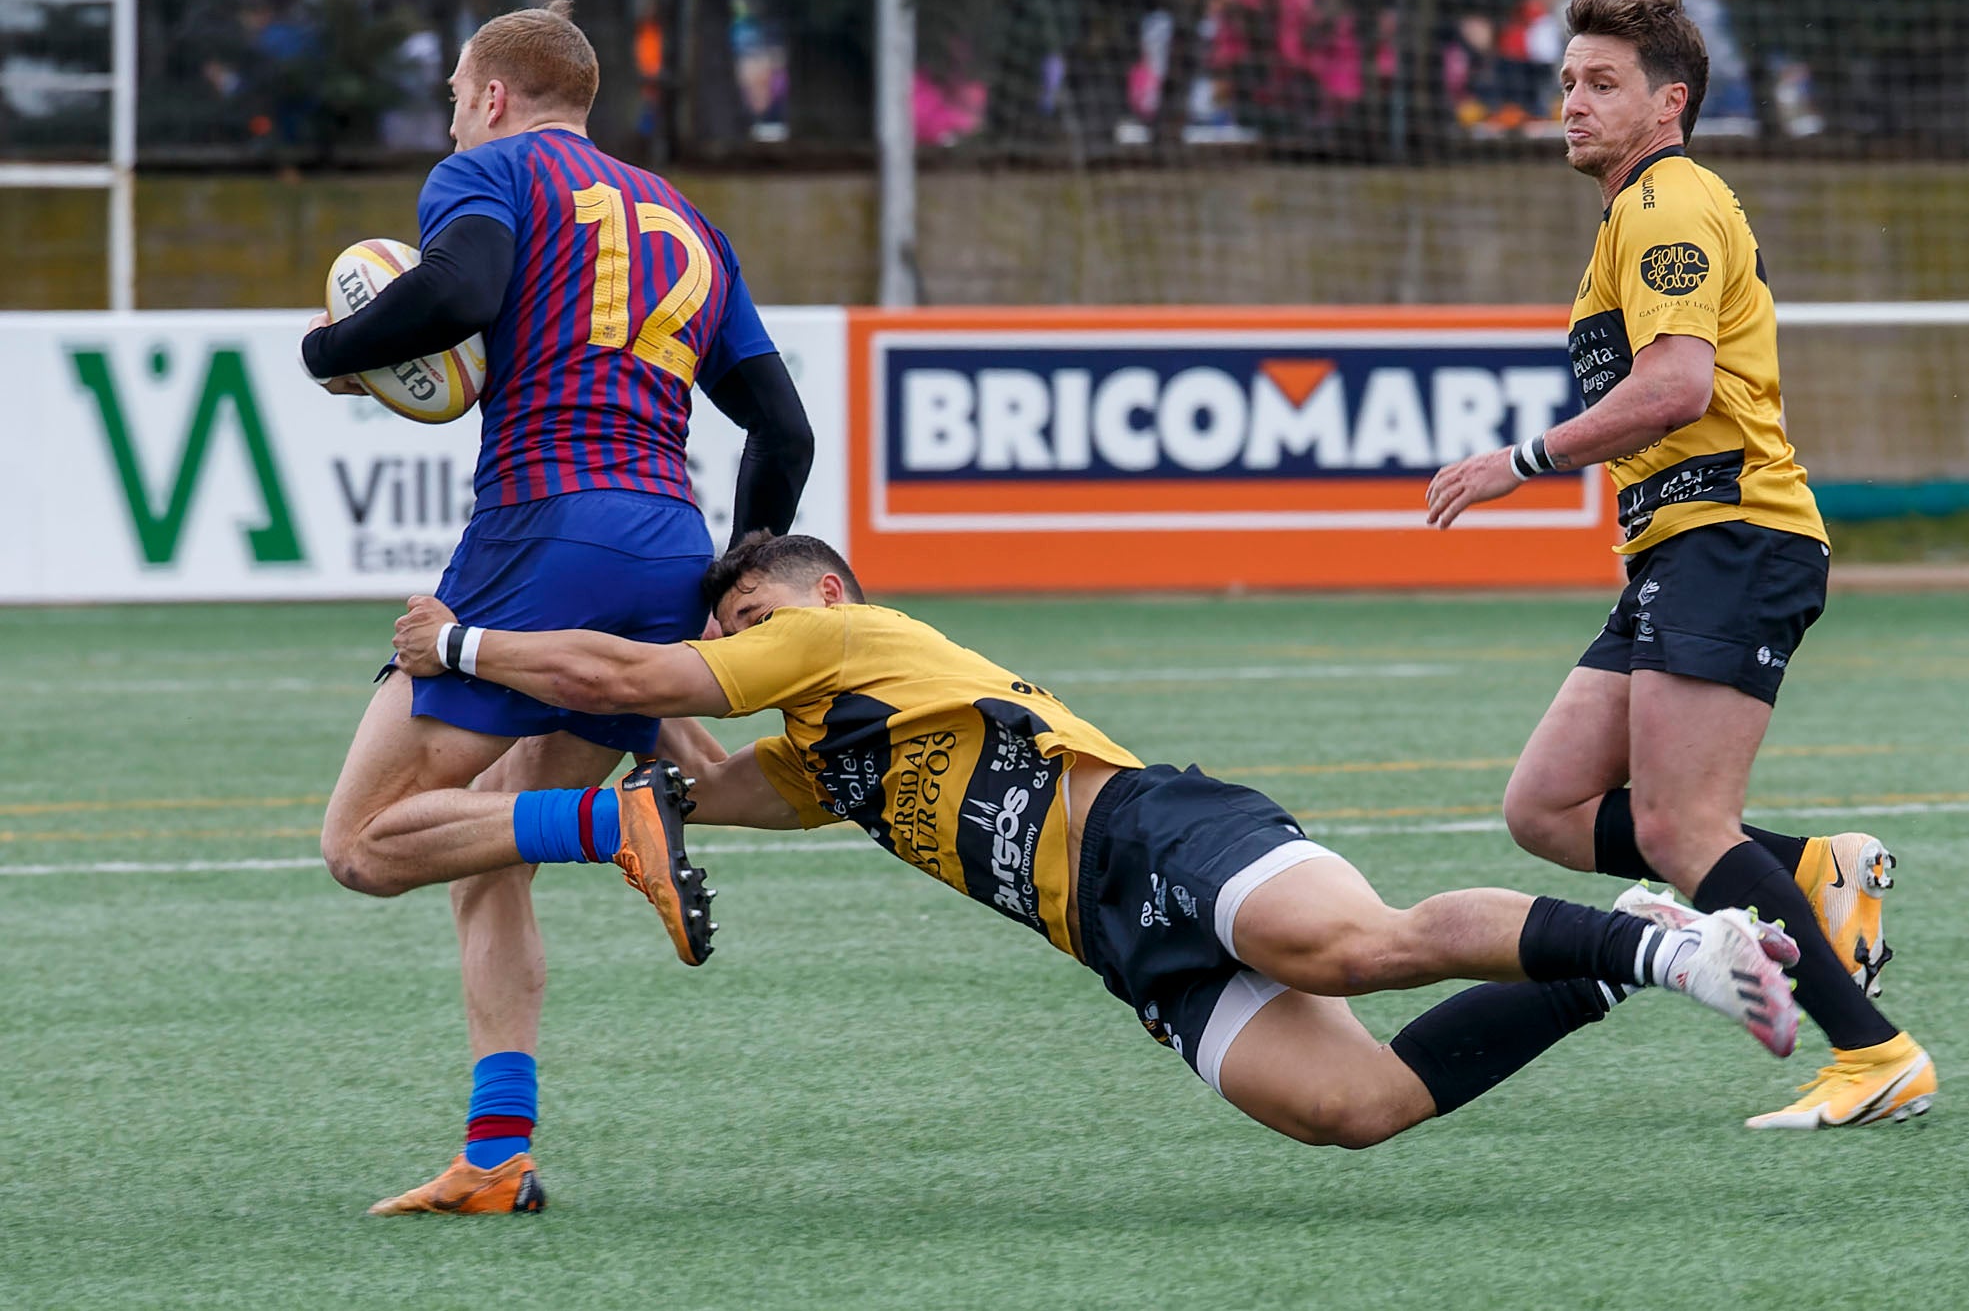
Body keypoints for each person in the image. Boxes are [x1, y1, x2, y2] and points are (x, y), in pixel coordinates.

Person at [328, 532, 1799, 1207]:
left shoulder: (837, 635)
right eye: (726, 610)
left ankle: (1683, 954)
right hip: (1114, 942)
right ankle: (1618, 940)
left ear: (819, 594)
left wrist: (460, 645)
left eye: (747, 598)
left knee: (1351, 944)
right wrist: (557, 734)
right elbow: (697, 781)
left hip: (1151, 828)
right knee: (1357, 1107)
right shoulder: (816, 754)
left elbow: (665, 670)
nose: (733, 618)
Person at [299, 0, 816, 1214]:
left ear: (490, 96)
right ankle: (497, 1153)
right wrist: (726, 581)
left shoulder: (487, 171)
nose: (451, 120)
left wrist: (329, 351)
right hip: (664, 545)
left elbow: (458, 294)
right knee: (490, 836)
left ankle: (616, 822)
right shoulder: (686, 217)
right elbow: (783, 430)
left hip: (544, 529)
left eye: (452, 99)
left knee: (366, 846)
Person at [1424, 0, 1935, 1130]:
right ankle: (1812, 872)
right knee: (1548, 804)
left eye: (1600, 83)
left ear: (1671, 104)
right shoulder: (1629, 214)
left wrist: (1520, 460)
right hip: (1676, 547)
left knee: (1680, 828)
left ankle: (1874, 1053)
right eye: (1565, 81)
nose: (1571, 101)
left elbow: (1675, 389)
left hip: (1733, 534)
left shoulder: (1666, 203)